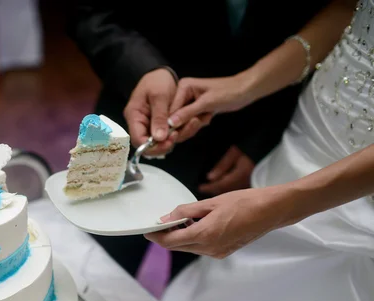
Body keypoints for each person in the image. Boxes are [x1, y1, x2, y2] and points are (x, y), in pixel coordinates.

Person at [146, 0, 374, 301]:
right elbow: (350, 10)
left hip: (358, 205)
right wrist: (243, 86)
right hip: (311, 132)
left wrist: (279, 206)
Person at [66, 0, 328, 279]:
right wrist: (143, 69)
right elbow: (89, 11)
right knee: (94, 270)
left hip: (233, 152)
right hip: (128, 120)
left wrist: (259, 143)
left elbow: (326, 44)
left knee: (197, 286)